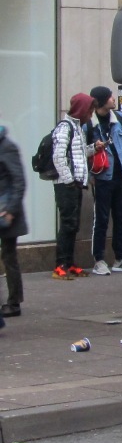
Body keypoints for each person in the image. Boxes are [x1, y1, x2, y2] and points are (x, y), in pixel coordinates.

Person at [86, 86, 122, 276]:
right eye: (109, 97)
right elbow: (81, 150)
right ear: (100, 101)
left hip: (121, 175)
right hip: (102, 177)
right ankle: (98, 259)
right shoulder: (89, 123)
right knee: (101, 219)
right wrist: (93, 148)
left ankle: (120, 258)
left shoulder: (119, 118)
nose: (112, 99)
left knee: (121, 217)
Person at [52, 93, 101, 280]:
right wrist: (68, 180)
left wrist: (94, 148)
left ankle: (69, 263)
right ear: (82, 109)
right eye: (89, 110)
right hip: (67, 185)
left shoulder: (77, 128)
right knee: (67, 223)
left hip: (75, 184)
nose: (91, 115)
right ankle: (60, 265)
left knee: (73, 225)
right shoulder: (65, 128)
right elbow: (58, 156)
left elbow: (78, 154)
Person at [0, 115, 28, 320]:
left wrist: (10, 210)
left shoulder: (7, 147)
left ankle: (14, 302)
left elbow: (19, 181)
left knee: (9, 257)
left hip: (6, 212)